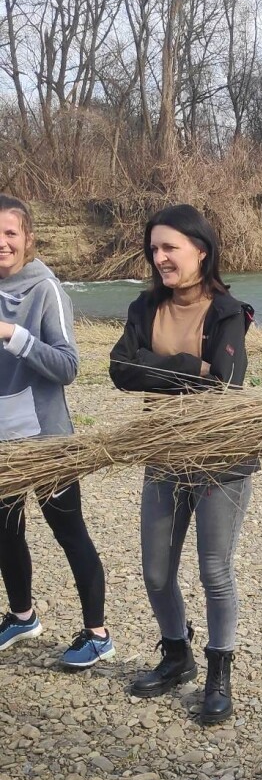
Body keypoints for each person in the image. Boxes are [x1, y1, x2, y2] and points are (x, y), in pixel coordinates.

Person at [109, 204, 254, 724]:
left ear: (201, 249)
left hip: (221, 459)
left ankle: (219, 670)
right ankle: (177, 655)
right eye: (154, 249)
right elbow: (120, 369)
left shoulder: (228, 311)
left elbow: (226, 385)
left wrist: (160, 370)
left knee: (215, 571)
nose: (161, 257)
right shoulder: (144, 307)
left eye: (170, 247)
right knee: (154, 572)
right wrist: (190, 365)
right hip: (164, 454)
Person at [0, 195, 114, 668]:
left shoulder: (45, 289)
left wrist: (12, 334)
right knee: (5, 532)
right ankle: (23, 616)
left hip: (46, 442)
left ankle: (98, 634)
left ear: (28, 239)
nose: (1, 243)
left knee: (69, 531)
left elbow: (68, 367)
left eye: (9, 233)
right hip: (2, 442)